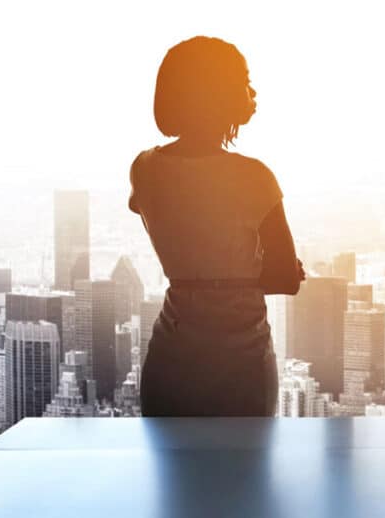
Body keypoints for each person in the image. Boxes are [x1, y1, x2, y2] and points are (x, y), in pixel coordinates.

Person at [129, 36, 305, 417]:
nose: (253, 90)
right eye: (244, 79)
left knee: (173, 472)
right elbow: (286, 279)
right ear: (216, 91)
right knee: (245, 471)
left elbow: (153, 213)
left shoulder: (144, 168)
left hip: (171, 353)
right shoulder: (254, 178)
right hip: (241, 358)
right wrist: (252, 270)